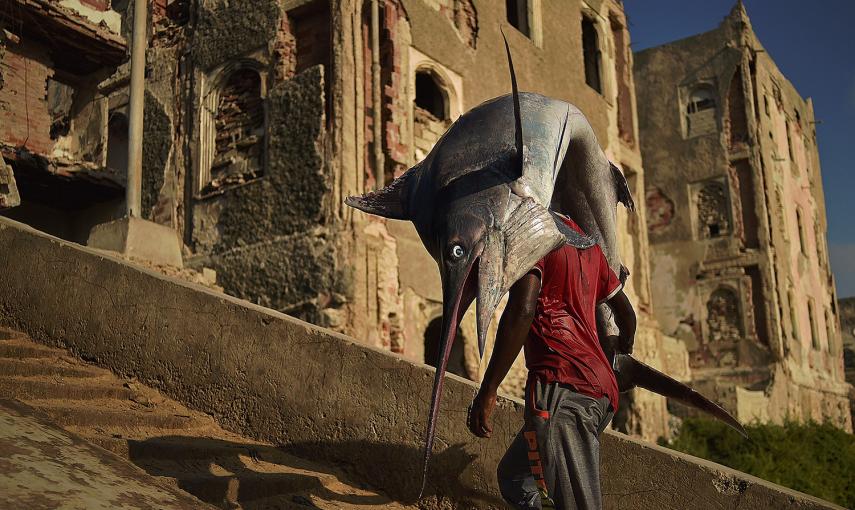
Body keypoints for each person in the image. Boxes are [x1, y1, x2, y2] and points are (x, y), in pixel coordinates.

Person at [467, 214, 636, 510]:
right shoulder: (587, 245)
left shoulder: (536, 232)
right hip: (600, 392)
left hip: (563, 390)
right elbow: (627, 315)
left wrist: (489, 388)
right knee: (515, 478)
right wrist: (622, 348)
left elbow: (523, 309)